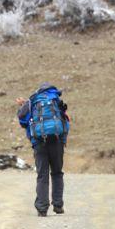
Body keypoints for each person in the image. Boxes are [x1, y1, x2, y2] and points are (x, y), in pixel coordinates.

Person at [17, 82, 69, 217]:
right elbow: (65, 121)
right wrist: (62, 140)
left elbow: (23, 121)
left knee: (42, 175)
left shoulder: (33, 100)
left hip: (39, 143)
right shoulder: (56, 100)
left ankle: (42, 208)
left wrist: (24, 106)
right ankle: (58, 206)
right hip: (57, 141)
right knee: (57, 173)